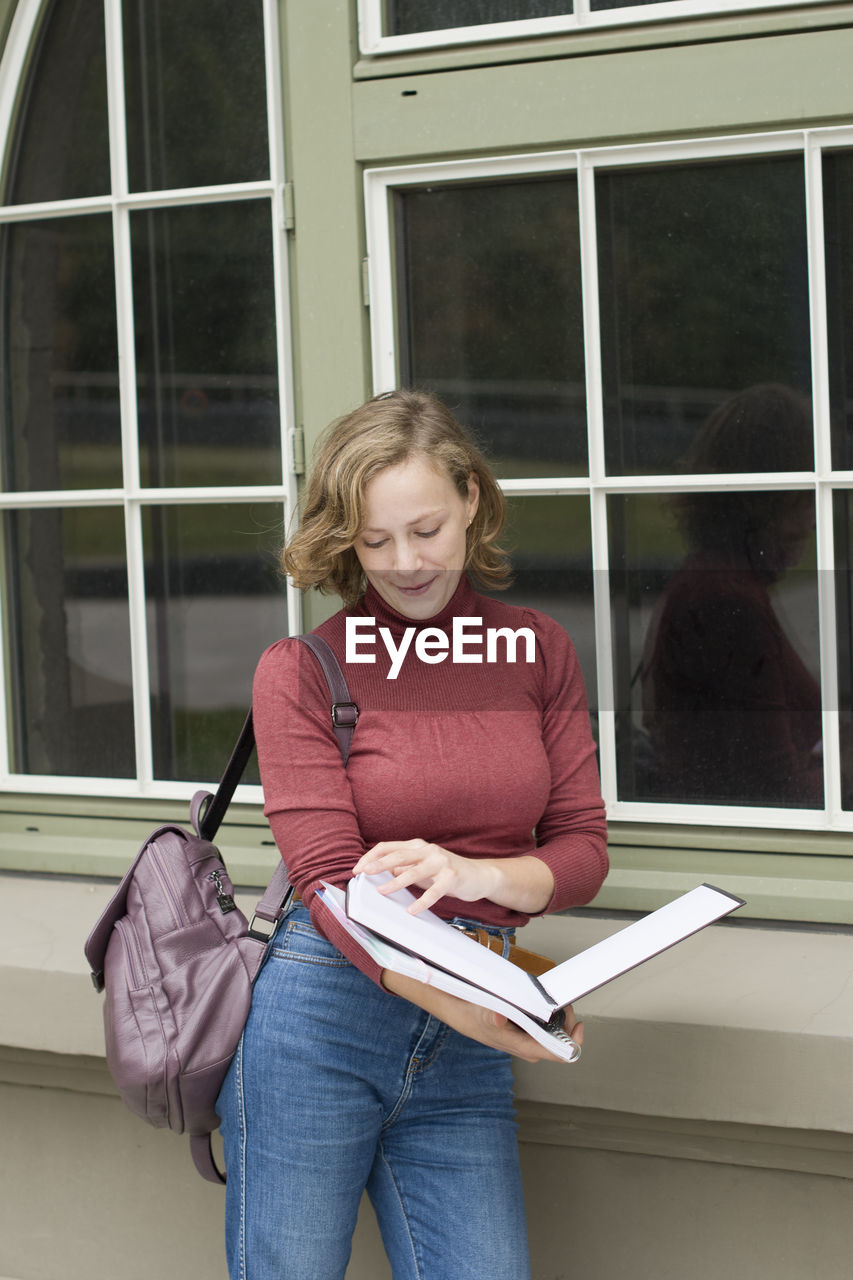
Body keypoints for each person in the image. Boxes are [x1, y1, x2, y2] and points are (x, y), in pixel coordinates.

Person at [216, 388, 608, 1279]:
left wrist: (481, 878)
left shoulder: (538, 652)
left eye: (425, 529)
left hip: (469, 1030)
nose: (404, 563)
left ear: (472, 497)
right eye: (373, 539)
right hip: (325, 1018)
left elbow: (581, 849)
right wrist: (455, 995)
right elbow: (322, 872)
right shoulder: (301, 670)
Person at [638, 383, 822, 806]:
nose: (815, 516)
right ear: (772, 501)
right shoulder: (724, 599)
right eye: (807, 494)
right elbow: (772, 790)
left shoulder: (725, 582)